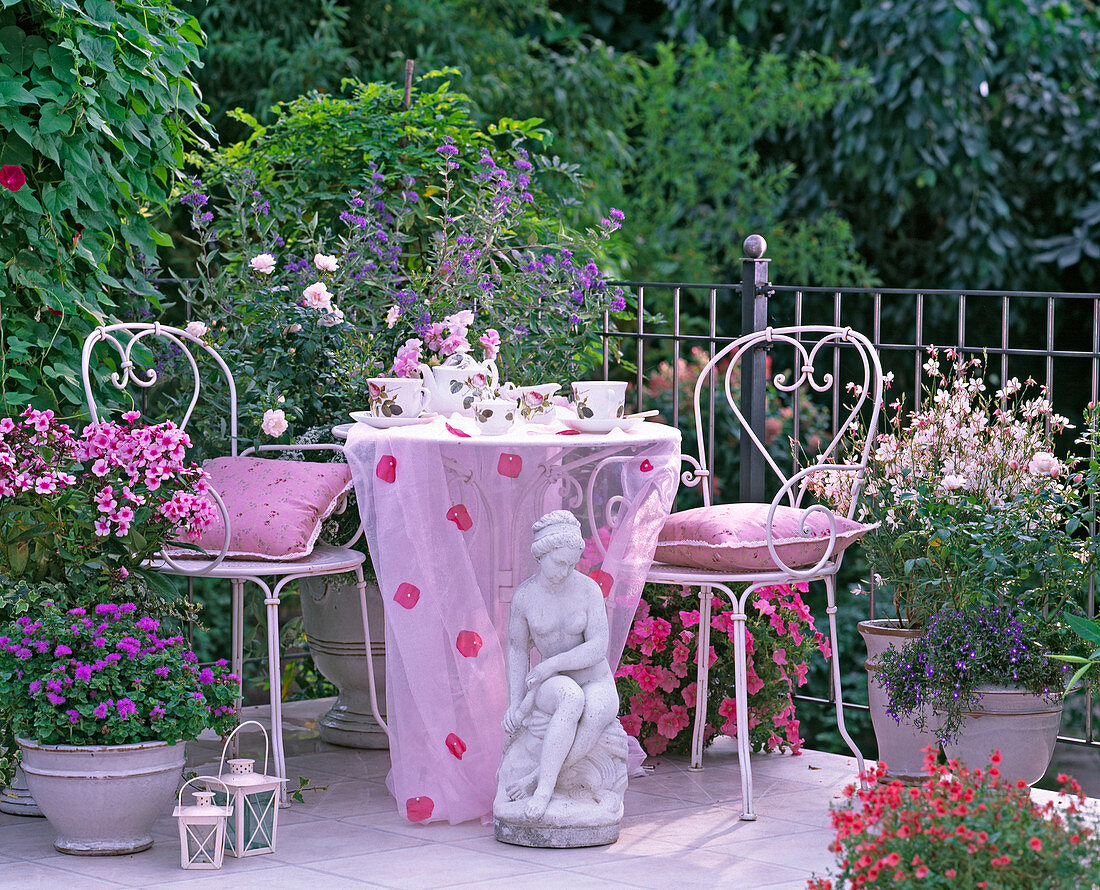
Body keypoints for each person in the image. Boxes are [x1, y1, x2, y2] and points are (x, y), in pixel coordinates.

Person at [501, 510, 620, 821]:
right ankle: (543, 792)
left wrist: (551, 663)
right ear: (542, 555)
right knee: (570, 697)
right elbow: (516, 649)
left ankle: (538, 776)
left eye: (572, 563)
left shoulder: (587, 590)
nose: (566, 570)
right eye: (559, 562)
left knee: (594, 709)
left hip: (595, 679)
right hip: (552, 685)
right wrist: (515, 705)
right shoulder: (525, 597)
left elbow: (597, 647)